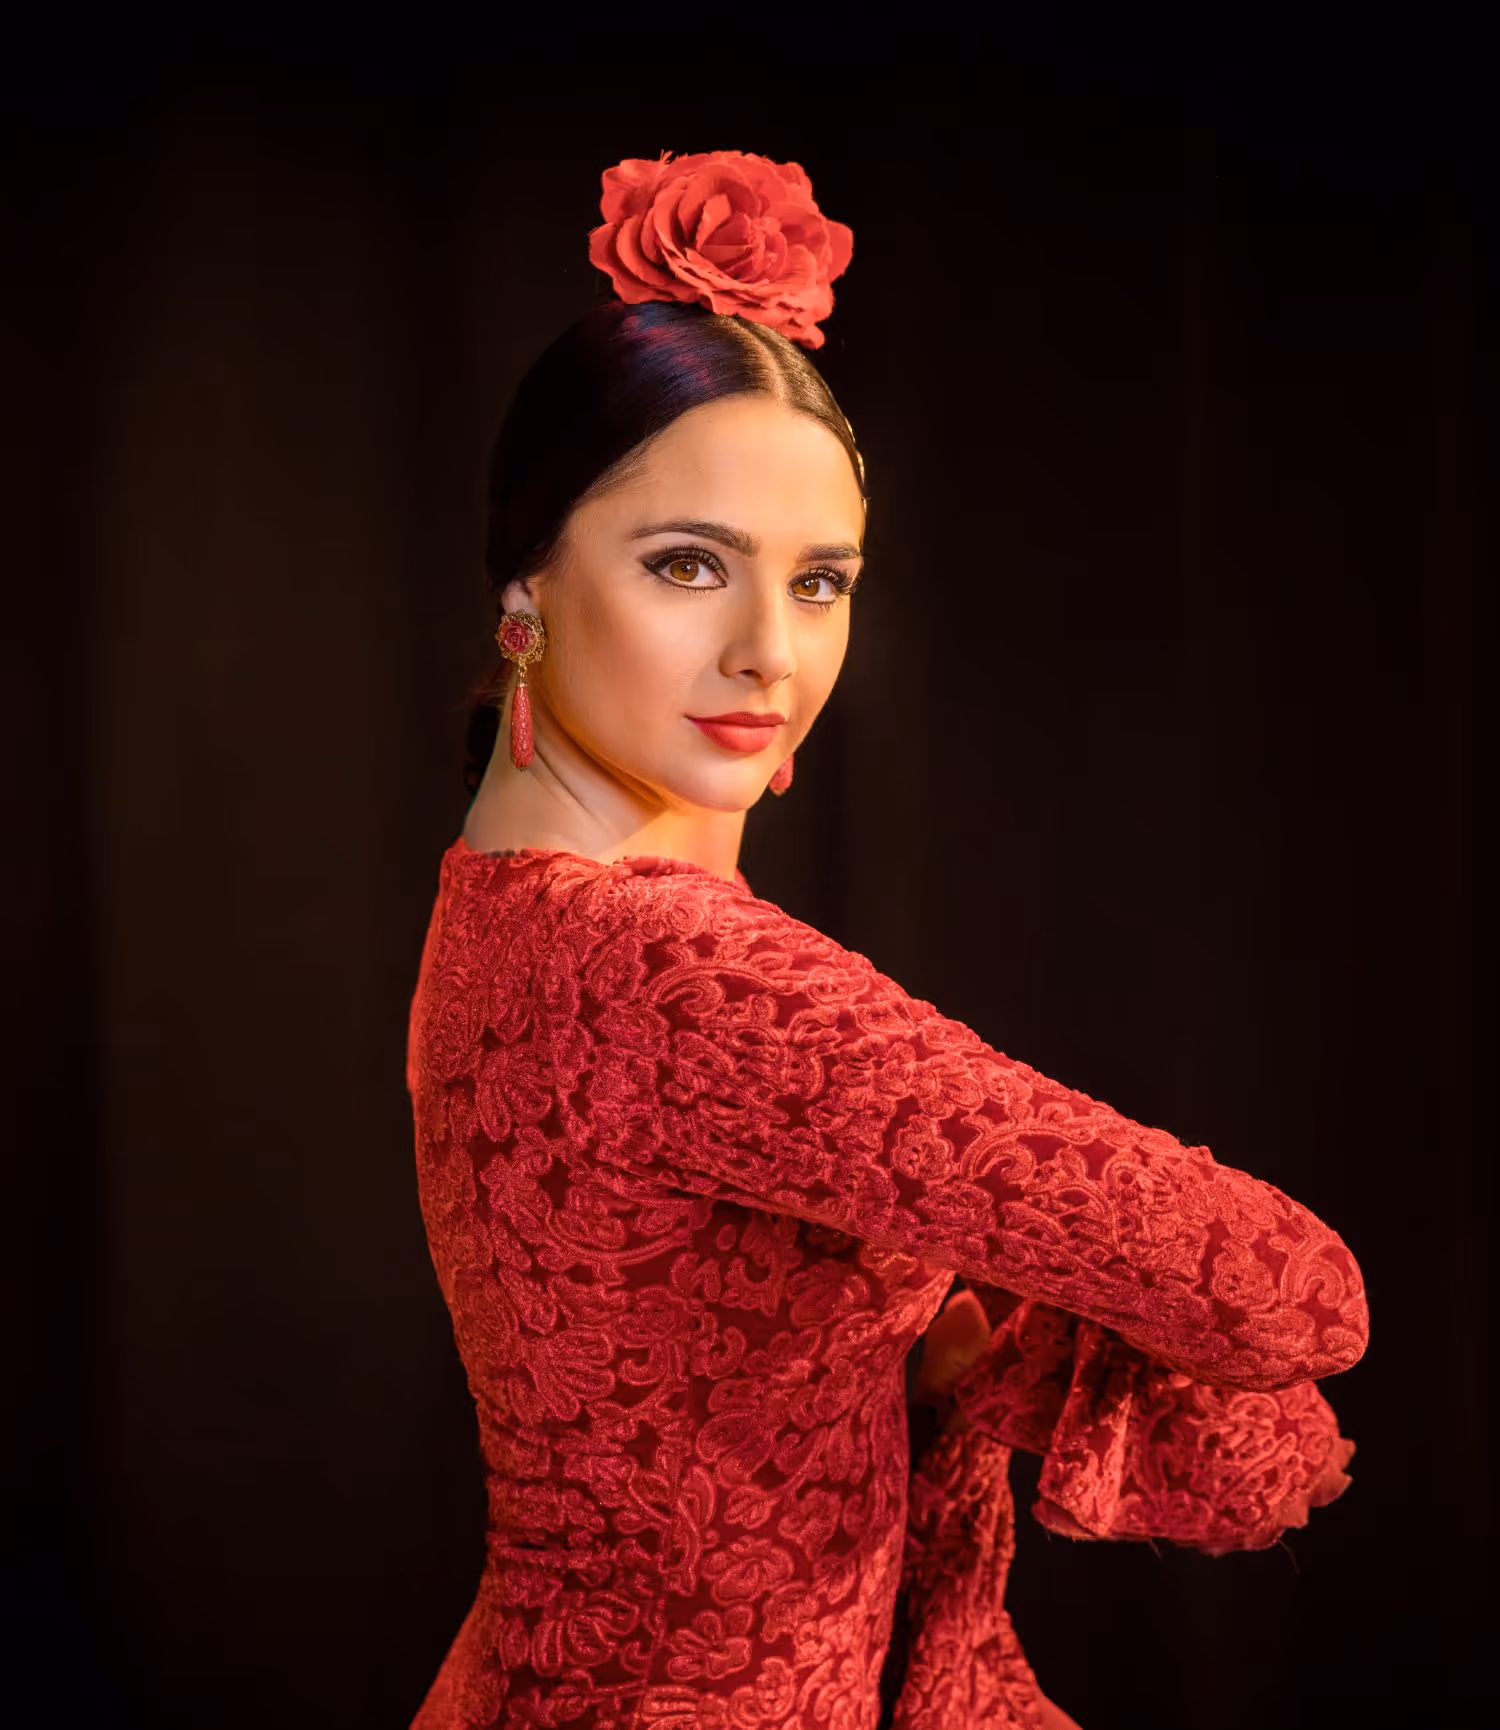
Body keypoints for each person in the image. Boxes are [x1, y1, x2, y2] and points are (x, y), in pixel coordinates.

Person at [405, 151, 1367, 1730]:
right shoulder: (680, 976)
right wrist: (1032, 1323)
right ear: (526, 584)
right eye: (688, 565)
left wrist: (926, 1355)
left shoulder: (494, 911)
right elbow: (1293, 1290)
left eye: (821, 579)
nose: (770, 652)